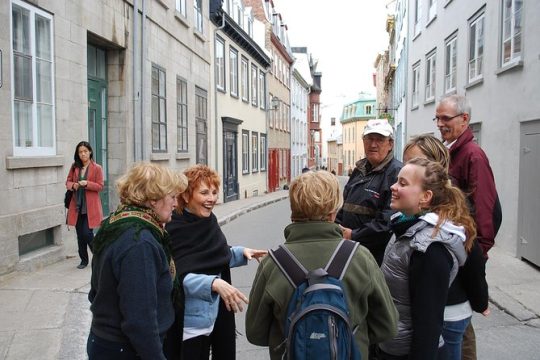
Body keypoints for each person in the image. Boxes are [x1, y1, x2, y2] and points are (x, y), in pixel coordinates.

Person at [246, 170, 398, 360]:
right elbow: (387, 326)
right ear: (334, 211)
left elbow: (255, 333)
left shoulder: (273, 263)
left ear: (293, 210)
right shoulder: (360, 257)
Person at [164, 164, 267, 360]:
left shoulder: (209, 221)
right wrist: (213, 283)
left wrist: (241, 253)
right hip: (189, 323)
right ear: (186, 196)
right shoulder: (174, 227)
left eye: (214, 192)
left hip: (215, 317)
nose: (211, 198)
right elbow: (176, 276)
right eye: (204, 192)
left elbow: (215, 256)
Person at [87, 162, 187, 360]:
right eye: (173, 197)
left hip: (107, 343)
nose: (176, 204)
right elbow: (140, 321)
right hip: (125, 349)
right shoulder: (139, 243)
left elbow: (96, 292)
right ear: (153, 199)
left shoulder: (118, 223)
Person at [403, 134, 489, 359]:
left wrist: (480, 299)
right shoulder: (408, 204)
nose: (408, 169)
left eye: (415, 163)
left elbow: (474, 258)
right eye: (406, 163)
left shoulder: (452, 209)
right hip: (422, 312)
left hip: (449, 311)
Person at [378, 158, 472, 359]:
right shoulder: (404, 228)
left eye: (403, 183)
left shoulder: (430, 249)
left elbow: (428, 325)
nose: (393, 187)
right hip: (394, 346)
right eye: (396, 181)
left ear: (425, 196)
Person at [435, 94, 501, 359]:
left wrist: (477, 256)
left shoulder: (473, 155)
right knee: (457, 323)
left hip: (465, 254)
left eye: (445, 118)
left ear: (464, 119)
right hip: (458, 252)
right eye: (437, 118)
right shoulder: (453, 152)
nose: (440, 123)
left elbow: (484, 210)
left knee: (460, 327)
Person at [336, 119, 402, 265]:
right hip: (349, 251)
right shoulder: (359, 170)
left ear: (390, 144)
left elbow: (387, 223)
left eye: (379, 139)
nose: (373, 144)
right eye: (369, 139)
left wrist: (353, 235)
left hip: (373, 258)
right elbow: (345, 207)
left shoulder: (396, 174)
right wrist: (335, 228)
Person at [65, 141, 104, 269]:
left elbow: (100, 186)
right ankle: (84, 260)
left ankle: (99, 256)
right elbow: (68, 182)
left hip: (90, 206)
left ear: (90, 152)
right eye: (80, 152)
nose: (83, 154)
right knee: (80, 235)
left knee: (87, 233)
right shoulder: (74, 167)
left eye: (85, 151)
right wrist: (73, 185)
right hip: (77, 205)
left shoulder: (97, 168)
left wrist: (87, 183)